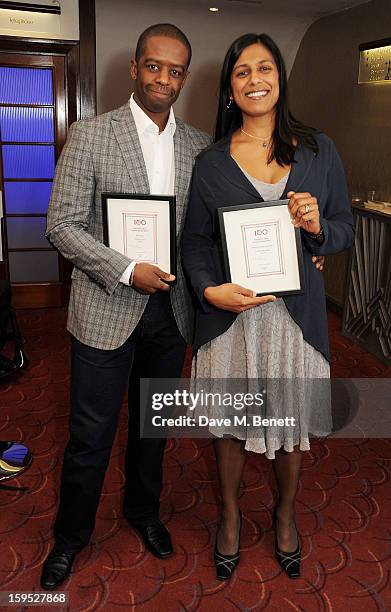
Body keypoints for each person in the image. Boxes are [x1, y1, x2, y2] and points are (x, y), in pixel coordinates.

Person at [40, 24, 211, 590]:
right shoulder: (90, 135)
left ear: (184, 77)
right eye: (155, 66)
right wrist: (122, 268)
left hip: (172, 313)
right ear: (136, 68)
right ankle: (70, 538)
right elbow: (61, 226)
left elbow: (205, 232)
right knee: (90, 435)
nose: (164, 78)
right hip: (105, 308)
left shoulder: (198, 145)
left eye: (176, 70)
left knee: (152, 429)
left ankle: (144, 513)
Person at [182, 33, 354, 581]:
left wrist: (316, 226)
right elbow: (194, 242)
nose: (254, 79)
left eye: (265, 68)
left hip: (294, 320)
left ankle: (284, 514)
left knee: (289, 420)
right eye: (241, 72)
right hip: (235, 317)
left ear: (280, 78)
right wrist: (211, 289)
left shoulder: (319, 148)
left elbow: (343, 229)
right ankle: (230, 516)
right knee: (232, 425)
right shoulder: (211, 162)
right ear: (230, 88)